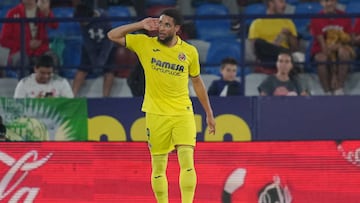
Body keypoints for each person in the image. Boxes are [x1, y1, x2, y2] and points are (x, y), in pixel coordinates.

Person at [107, 8, 216, 203]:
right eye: (160, 23)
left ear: (177, 28)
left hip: (182, 112)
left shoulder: (189, 52)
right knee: (158, 167)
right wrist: (140, 25)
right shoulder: (145, 44)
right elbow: (112, 35)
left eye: (167, 25)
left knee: (188, 163)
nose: (162, 28)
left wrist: (208, 112)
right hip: (155, 114)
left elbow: (198, 82)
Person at [71, 3, 117, 97]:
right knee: (82, 69)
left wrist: (101, 60)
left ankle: (105, 98)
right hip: (90, 47)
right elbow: (87, 41)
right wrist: (94, 60)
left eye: (82, 22)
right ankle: (72, 96)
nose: (81, 24)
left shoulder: (104, 17)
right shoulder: (83, 23)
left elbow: (108, 40)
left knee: (109, 71)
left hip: (106, 47)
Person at [309, 0, 354, 95]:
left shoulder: (344, 16)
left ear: (336, 1)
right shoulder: (316, 18)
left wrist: (339, 46)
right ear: (321, 3)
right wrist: (334, 75)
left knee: (344, 52)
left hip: (340, 47)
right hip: (323, 49)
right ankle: (327, 92)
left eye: (331, 0)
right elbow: (324, 48)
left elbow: (350, 40)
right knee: (321, 58)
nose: (329, 4)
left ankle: (339, 89)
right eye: (326, 1)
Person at [0, 0, 59, 68]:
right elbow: (4, 40)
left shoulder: (42, 11)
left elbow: (55, 25)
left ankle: (52, 78)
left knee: (53, 58)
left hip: (41, 50)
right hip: (19, 51)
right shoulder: (12, 13)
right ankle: (25, 79)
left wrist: (48, 13)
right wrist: (26, 44)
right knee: (22, 60)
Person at [248, 0, 302, 73]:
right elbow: (255, 49)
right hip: (266, 58)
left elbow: (295, 48)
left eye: (285, 2)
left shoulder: (288, 22)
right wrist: (275, 46)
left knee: (285, 56)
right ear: (271, 3)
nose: (285, 5)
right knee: (259, 43)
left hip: (284, 57)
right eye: (281, 2)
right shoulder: (257, 23)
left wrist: (289, 35)